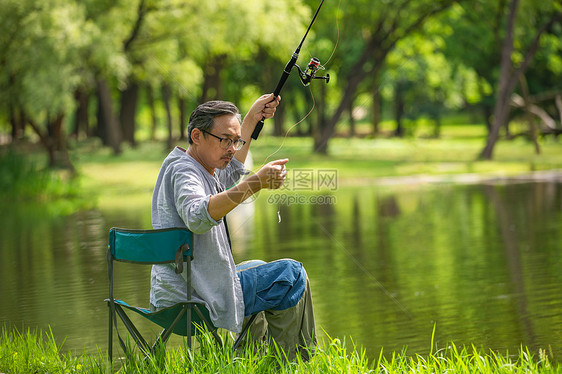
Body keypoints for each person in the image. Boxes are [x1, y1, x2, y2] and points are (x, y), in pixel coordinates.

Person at [149, 94, 316, 361]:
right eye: (225, 140)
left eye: (235, 141)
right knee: (292, 275)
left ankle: (247, 358)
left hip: (178, 291)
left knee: (257, 265)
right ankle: (289, 363)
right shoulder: (185, 172)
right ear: (196, 136)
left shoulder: (198, 166)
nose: (231, 148)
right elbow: (197, 214)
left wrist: (251, 118)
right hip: (193, 296)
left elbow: (230, 170)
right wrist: (255, 184)